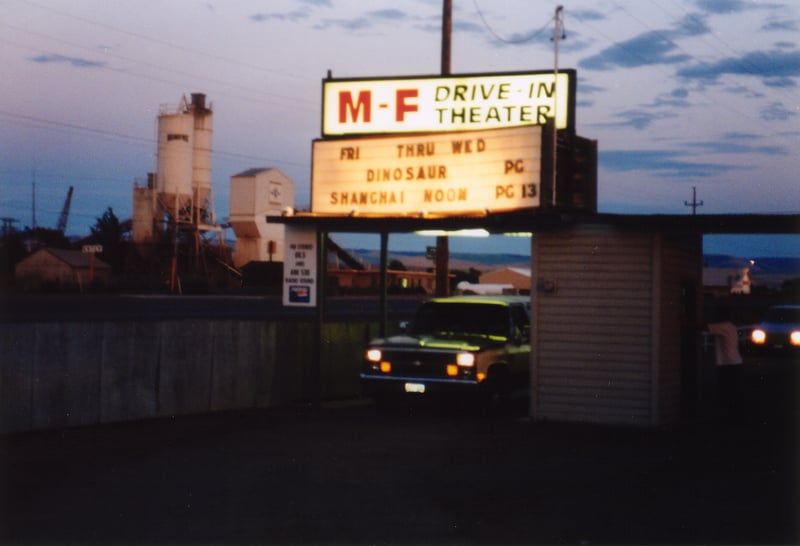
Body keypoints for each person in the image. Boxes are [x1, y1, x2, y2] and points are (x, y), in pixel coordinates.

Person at [707, 305, 744, 420]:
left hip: (729, 364)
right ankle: (733, 417)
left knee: (726, 391)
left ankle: (730, 418)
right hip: (734, 362)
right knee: (732, 391)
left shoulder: (724, 326)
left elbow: (704, 327)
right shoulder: (730, 326)